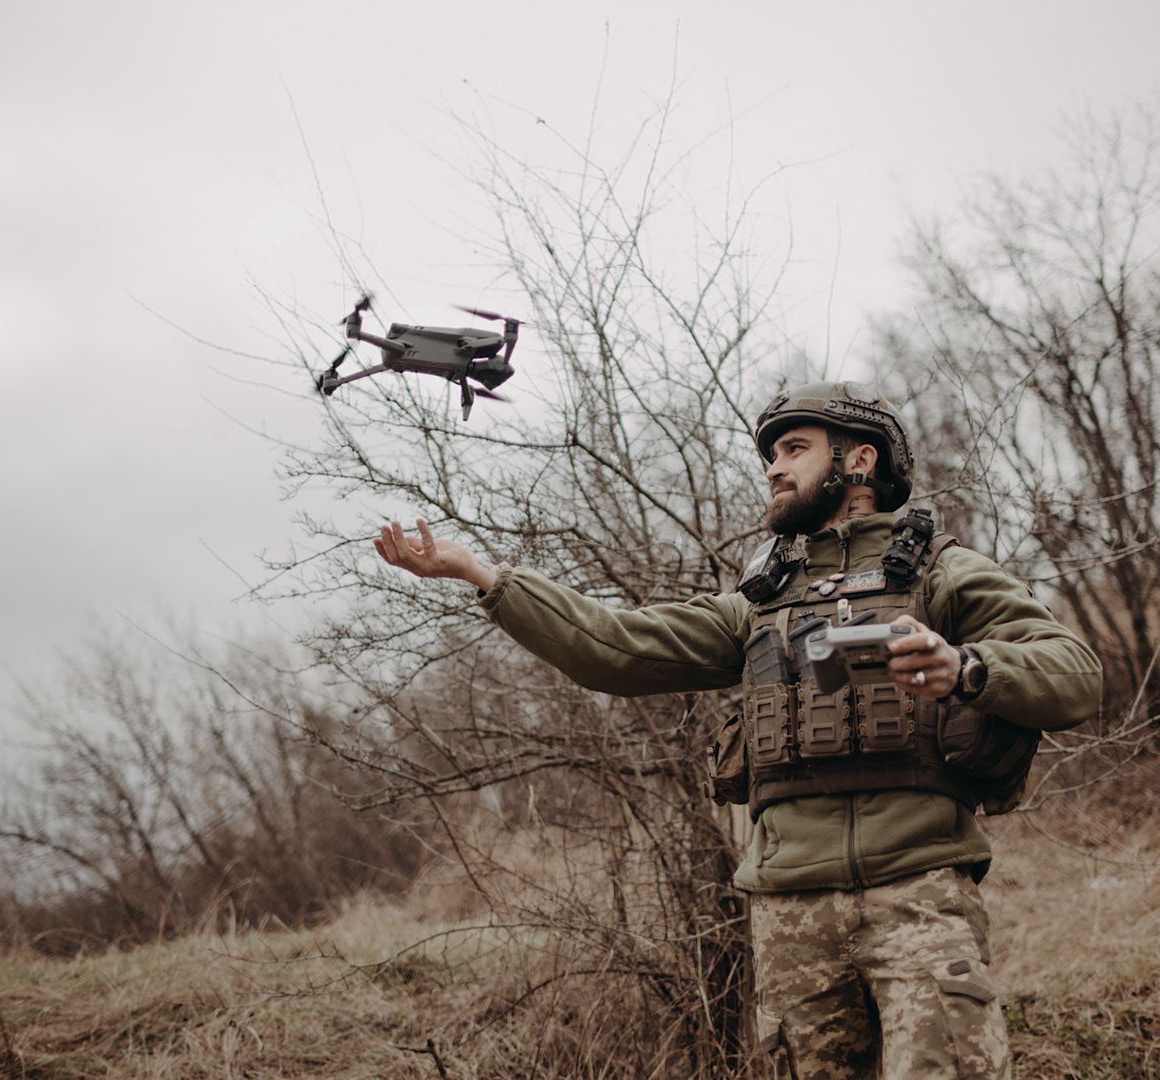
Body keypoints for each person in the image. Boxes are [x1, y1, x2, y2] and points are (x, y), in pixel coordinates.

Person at [373, 381, 1103, 1079]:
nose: (774, 470)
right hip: (789, 917)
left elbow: (1073, 674)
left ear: (858, 460)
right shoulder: (756, 606)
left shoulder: (945, 576)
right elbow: (612, 647)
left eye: (792, 449)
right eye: (770, 457)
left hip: (920, 895)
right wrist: (482, 576)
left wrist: (966, 666)